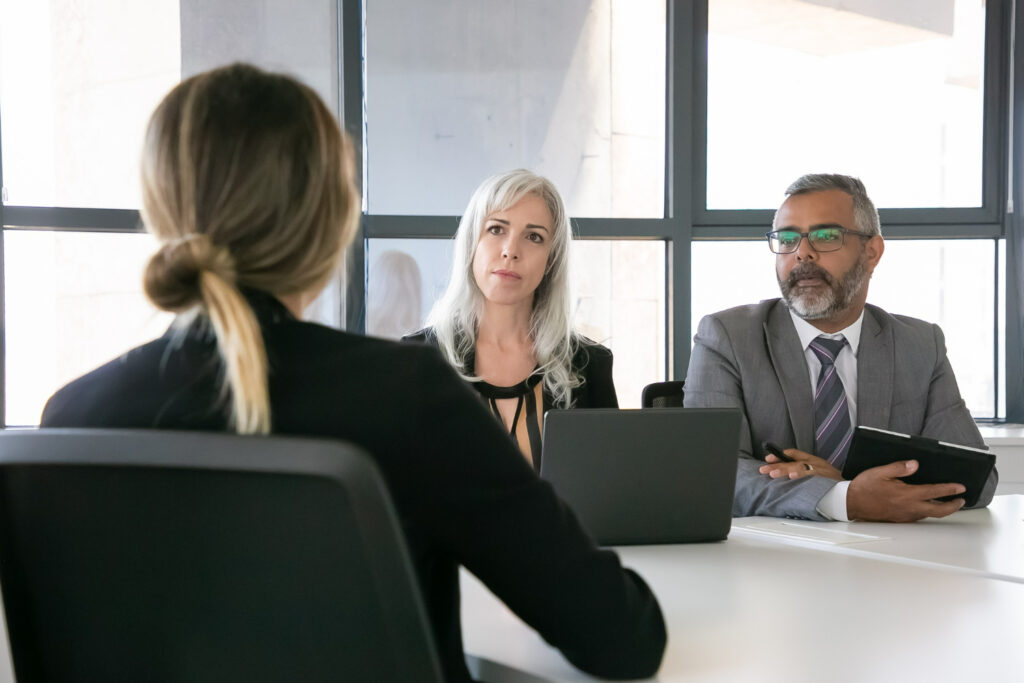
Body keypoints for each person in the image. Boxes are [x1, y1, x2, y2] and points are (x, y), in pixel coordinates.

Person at [39, 64, 665, 682]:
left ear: (158, 207)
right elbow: (623, 638)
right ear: (332, 221)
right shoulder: (411, 396)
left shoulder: (70, 419)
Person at [683, 173, 998, 522]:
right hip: (769, 564)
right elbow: (709, 476)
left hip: (891, 560)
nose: (802, 252)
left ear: (872, 252)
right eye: (787, 239)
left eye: (826, 236)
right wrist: (844, 497)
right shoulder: (726, 337)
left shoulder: (921, 345)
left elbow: (978, 481)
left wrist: (845, 483)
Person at [404, 170, 617, 470]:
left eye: (533, 237)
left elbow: (605, 494)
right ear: (471, 243)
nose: (510, 251)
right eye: (496, 229)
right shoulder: (417, 361)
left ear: (551, 260)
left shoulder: (589, 364)